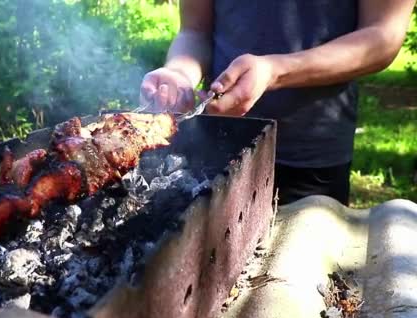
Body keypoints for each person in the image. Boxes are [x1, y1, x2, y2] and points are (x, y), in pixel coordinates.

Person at [140, 1, 415, 205]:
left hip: (309, 158)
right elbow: (195, 31)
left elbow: (383, 36)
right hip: (214, 146)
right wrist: (179, 74)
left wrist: (276, 71)